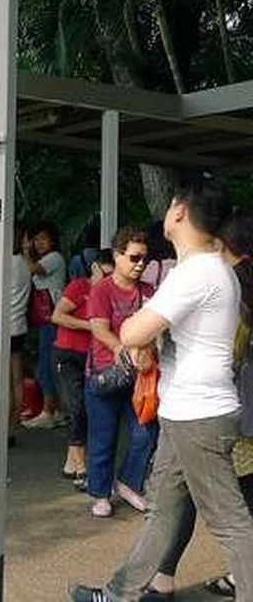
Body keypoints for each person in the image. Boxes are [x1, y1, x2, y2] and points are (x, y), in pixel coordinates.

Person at [71, 175, 253, 602]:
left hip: (198, 415)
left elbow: (132, 331)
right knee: (162, 510)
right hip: (186, 410)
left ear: (180, 212)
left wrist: (141, 334)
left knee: (230, 522)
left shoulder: (197, 273)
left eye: (171, 205)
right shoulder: (211, 270)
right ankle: (120, 593)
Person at [146, 215, 253, 600]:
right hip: (235, 415)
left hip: (217, 412)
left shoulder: (226, 287)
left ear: (224, 248)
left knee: (210, 506)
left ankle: (162, 579)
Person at [84, 227, 158, 518]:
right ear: (117, 256)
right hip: (105, 373)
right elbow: (98, 328)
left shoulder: (148, 291)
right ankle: (100, 494)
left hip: (139, 377)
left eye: (144, 259)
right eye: (134, 258)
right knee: (102, 439)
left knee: (146, 434)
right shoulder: (101, 290)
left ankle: (128, 482)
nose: (140, 264)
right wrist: (120, 348)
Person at [52, 248, 114, 488]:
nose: (107, 280)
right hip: (67, 354)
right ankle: (82, 465)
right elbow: (57, 316)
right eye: (105, 274)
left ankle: (72, 463)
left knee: (84, 409)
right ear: (94, 268)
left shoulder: (108, 293)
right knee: (76, 407)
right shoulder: (79, 286)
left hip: (92, 357)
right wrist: (91, 326)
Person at [24, 222, 68, 429]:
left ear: (53, 240)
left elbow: (34, 269)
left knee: (47, 364)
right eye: (36, 240)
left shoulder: (54, 258)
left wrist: (26, 250)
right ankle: (57, 410)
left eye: (43, 239)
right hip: (48, 319)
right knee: (48, 363)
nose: (39, 243)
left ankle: (48, 411)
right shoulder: (49, 258)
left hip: (51, 318)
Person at [9, 224, 33, 448]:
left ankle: (2, 425)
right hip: (19, 326)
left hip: (2, 328)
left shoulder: (5, 263)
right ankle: (13, 425)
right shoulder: (25, 265)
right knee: (16, 379)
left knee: (3, 381)